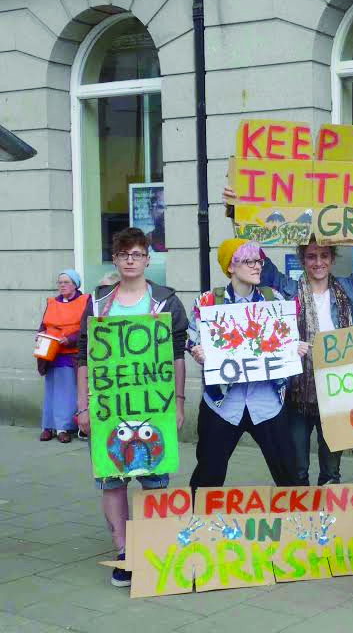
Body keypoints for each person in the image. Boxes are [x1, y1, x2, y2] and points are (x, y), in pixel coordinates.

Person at [75, 228, 188, 587]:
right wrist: (82, 408)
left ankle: (153, 548)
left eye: (137, 254)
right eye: (124, 254)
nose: (130, 260)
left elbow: (176, 356)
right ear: (115, 258)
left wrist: (179, 403)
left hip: (154, 408)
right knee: (112, 480)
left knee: (155, 482)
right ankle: (124, 552)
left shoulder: (166, 301)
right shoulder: (96, 302)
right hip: (109, 407)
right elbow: (83, 356)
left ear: (147, 260)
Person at [260, 237, 353, 485]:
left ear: (332, 259)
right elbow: (260, 263)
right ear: (303, 260)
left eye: (324, 256)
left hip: (337, 393)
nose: (318, 262)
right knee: (297, 471)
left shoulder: (351, 288)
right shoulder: (287, 290)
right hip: (297, 394)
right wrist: (235, 213)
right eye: (311, 256)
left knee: (331, 472)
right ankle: (301, 520)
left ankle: (331, 521)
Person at [186, 240, 300, 488]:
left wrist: (295, 348)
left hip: (266, 402)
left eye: (258, 261)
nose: (257, 266)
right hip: (223, 403)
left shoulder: (274, 299)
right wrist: (198, 350)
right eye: (249, 261)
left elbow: (287, 339)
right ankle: (201, 525)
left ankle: (301, 524)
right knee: (208, 476)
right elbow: (191, 338)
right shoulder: (208, 302)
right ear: (230, 266)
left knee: (290, 476)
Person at [36, 270, 89, 443]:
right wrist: (41, 334)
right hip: (50, 353)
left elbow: (85, 328)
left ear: (75, 284)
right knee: (51, 392)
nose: (62, 285)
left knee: (66, 393)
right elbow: (43, 324)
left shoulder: (84, 301)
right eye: (60, 282)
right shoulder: (52, 302)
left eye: (66, 282)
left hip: (70, 354)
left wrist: (71, 339)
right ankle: (48, 426)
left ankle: (63, 428)